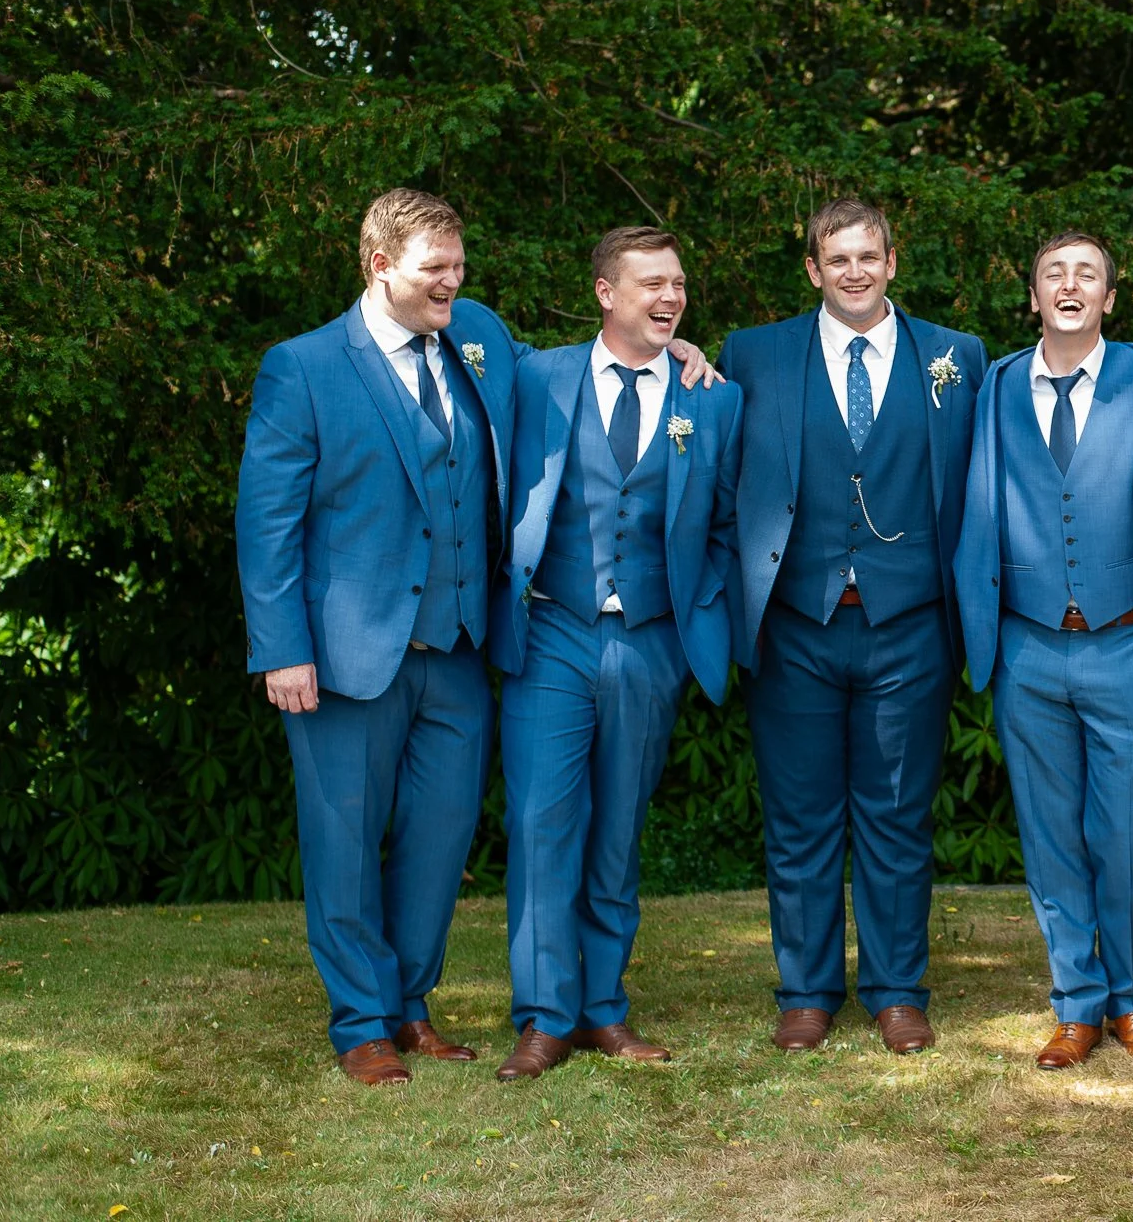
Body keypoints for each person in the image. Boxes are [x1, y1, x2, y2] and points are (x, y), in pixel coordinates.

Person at [236, 189, 707, 1085]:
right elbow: (266, 523)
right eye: (434, 270)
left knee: (441, 839)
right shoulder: (302, 368)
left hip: (458, 651)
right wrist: (281, 646)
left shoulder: (476, 343)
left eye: (458, 266)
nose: (453, 282)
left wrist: (667, 344)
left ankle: (411, 1005)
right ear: (380, 267)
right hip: (342, 655)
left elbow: (573, 371)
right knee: (343, 840)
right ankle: (361, 1023)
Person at [715, 199, 986, 1055]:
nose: (856, 271)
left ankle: (899, 989)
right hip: (796, 622)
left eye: (870, 256)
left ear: (894, 261)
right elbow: (721, 477)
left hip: (909, 627)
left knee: (898, 814)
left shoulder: (956, 357)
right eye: (839, 259)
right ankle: (806, 990)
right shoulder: (753, 355)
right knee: (799, 816)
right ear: (813, 270)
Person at [487, 227, 741, 1080]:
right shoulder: (535, 377)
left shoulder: (711, 399)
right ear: (605, 292)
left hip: (648, 640)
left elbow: (731, 524)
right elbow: (453, 323)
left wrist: (690, 609)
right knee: (541, 823)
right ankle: (543, 1016)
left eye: (678, 284)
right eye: (650, 285)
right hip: (552, 629)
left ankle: (602, 1008)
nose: (669, 298)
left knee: (617, 832)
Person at [955, 231, 1133, 1070]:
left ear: (1110, 299)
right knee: (1051, 833)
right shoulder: (995, 385)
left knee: (1125, 830)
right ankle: (1076, 1004)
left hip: (1128, 641)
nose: (1069, 284)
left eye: (1087, 274)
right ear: (1033, 296)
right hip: (1028, 646)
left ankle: (1131, 1000)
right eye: (1054, 272)